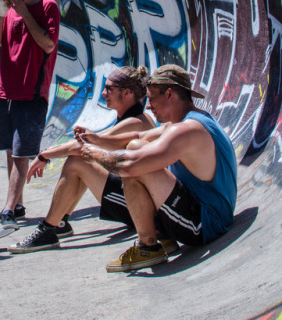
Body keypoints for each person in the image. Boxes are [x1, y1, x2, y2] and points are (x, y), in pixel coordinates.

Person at [80, 64, 238, 272]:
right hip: (208, 213)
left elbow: (129, 166)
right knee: (137, 147)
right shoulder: (190, 121)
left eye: (152, 99)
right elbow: (139, 137)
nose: (148, 107)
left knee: (136, 164)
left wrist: (93, 154)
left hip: (205, 225)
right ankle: (164, 238)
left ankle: (148, 247)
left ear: (170, 94)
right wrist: (97, 138)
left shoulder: (186, 130)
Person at [8, 65, 155, 253]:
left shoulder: (134, 122)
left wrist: (44, 155)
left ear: (127, 92)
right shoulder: (134, 118)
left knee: (78, 161)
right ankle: (60, 221)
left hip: (136, 207)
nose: (103, 93)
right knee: (87, 159)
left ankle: (47, 230)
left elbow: (83, 146)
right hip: (132, 199)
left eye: (109, 88)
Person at [0, 0, 61, 229]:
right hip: (6, 90)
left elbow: (48, 43)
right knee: (10, 149)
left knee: (20, 153)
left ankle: (7, 208)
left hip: (32, 90)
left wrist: (23, 10)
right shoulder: (8, 13)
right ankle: (16, 206)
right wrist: (1, 14)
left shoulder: (47, 7)